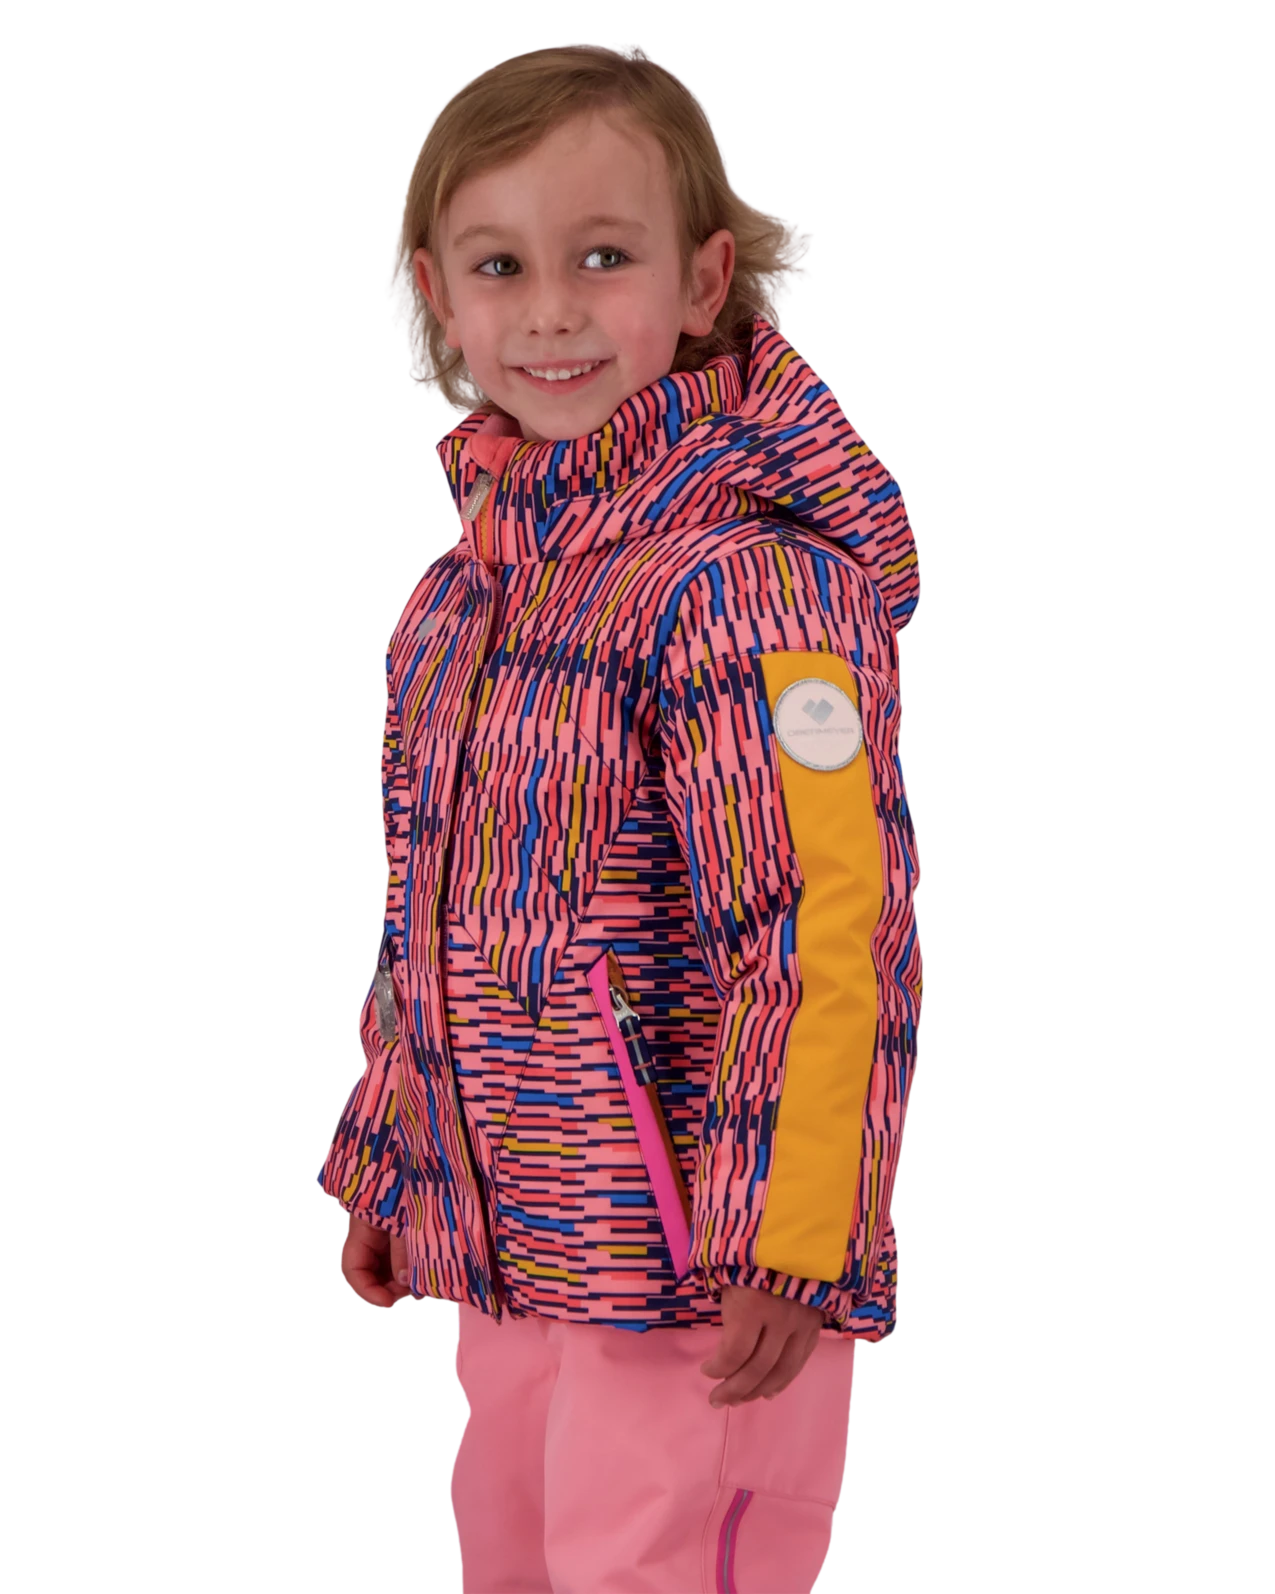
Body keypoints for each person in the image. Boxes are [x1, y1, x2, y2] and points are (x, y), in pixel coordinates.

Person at [319, 42, 922, 1594]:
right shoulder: (461, 597)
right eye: (499, 266)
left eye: (602, 257)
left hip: (698, 1278)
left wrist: (793, 1234)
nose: (551, 311)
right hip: (516, 1250)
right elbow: (428, 913)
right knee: (515, 1559)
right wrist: (396, 1157)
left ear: (703, 278)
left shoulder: (751, 586)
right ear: (437, 296)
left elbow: (824, 929)